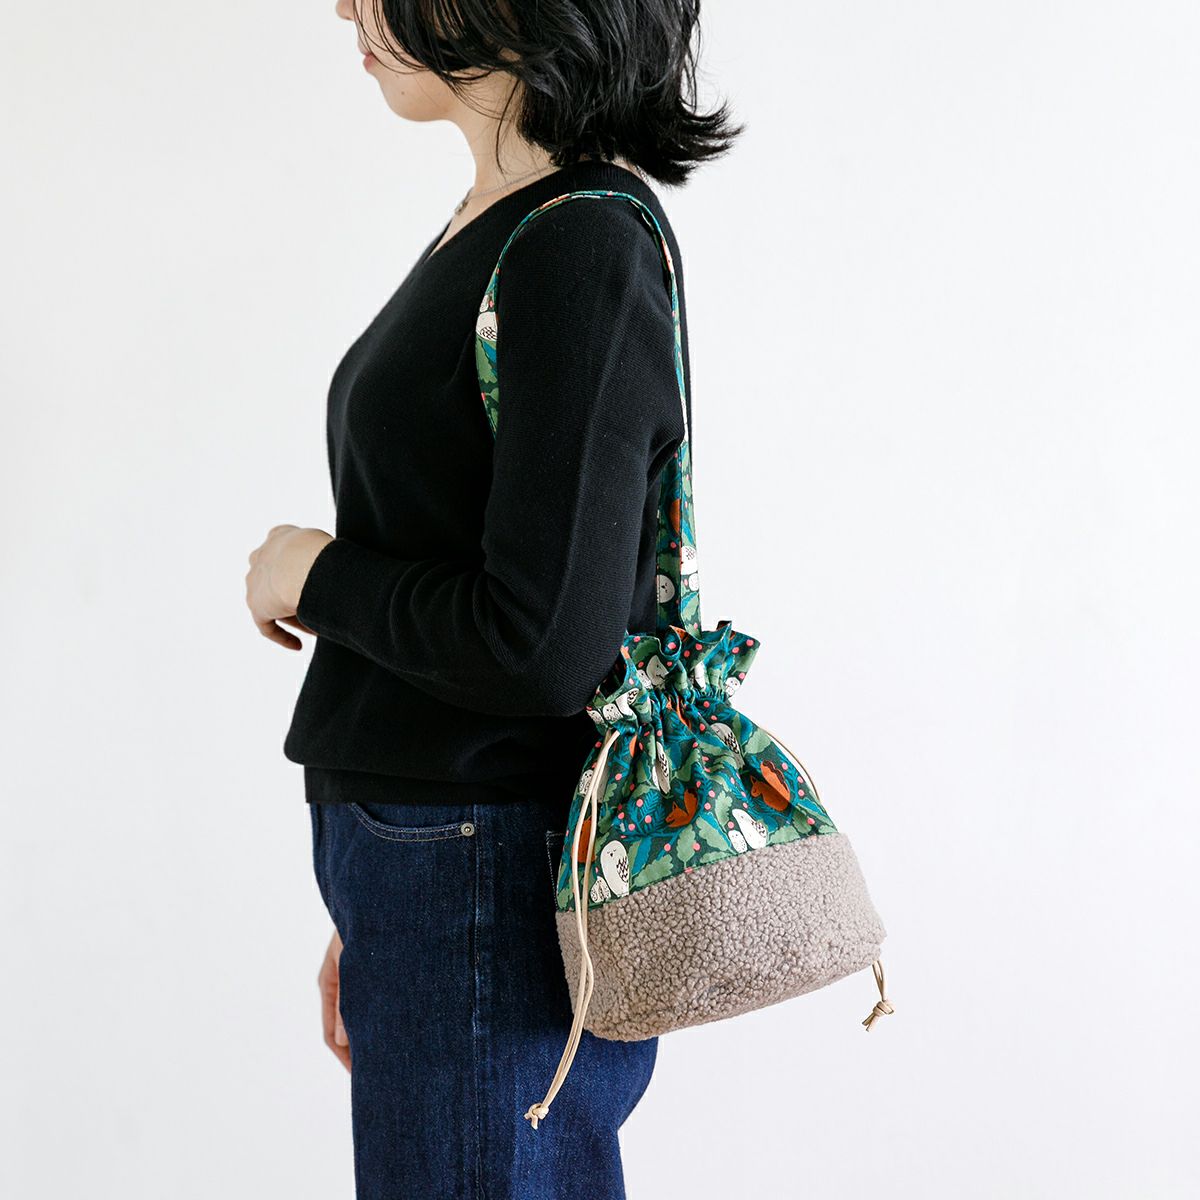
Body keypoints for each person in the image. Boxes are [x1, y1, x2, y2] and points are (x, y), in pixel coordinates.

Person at [243, 2, 742, 1196]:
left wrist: (315, 575)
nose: (348, 7)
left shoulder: (579, 243)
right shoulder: (505, 223)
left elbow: (539, 647)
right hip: (442, 873)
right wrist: (390, 911)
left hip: (479, 865)